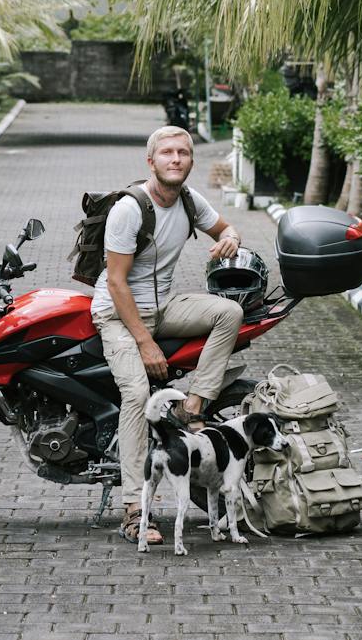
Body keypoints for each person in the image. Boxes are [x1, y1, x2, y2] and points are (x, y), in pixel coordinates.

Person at [91, 124, 244, 545]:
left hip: (161, 308)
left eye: (183, 153)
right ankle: (134, 508)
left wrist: (229, 239)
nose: (176, 160)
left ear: (191, 160)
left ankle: (191, 408)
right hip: (117, 315)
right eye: (167, 153)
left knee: (229, 312)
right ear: (151, 161)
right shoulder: (129, 209)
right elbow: (118, 284)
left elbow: (227, 228)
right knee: (138, 395)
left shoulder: (190, 200)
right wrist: (145, 342)